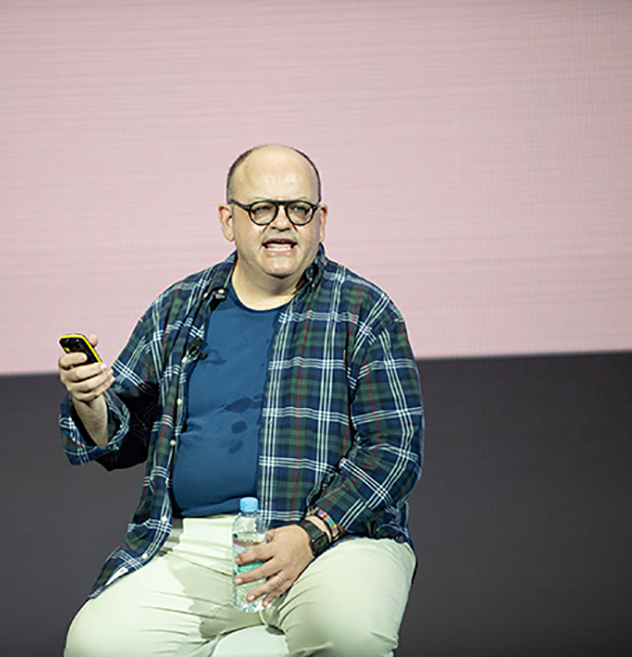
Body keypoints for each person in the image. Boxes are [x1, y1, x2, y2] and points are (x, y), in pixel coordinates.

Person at [58, 145, 423, 657]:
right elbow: (124, 437)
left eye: (298, 209)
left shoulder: (364, 309)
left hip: (335, 540)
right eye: (262, 209)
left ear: (320, 220)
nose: (282, 223)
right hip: (196, 546)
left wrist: (311, 533)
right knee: (97, 644)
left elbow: (394, 449)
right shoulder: (180, 306)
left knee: (348, 633)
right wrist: (90, 401)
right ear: (228, 220)